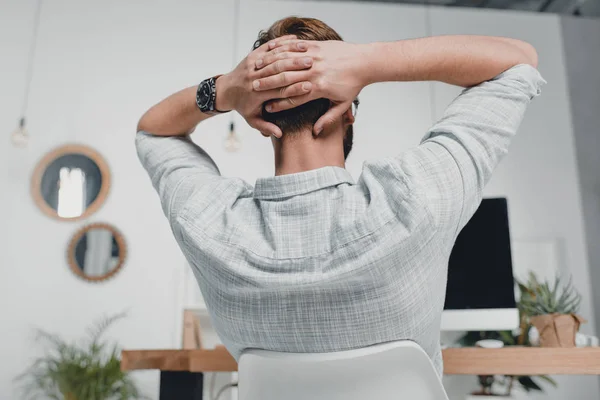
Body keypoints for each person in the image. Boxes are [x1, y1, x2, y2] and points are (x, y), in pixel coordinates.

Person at [136, 17, 544, 376]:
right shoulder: (417, 199)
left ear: (260, 119)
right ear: (348, 108)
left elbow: (152, 131)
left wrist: (225, 89)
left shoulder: (210, 225)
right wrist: (368, 62)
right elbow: (517, 61)